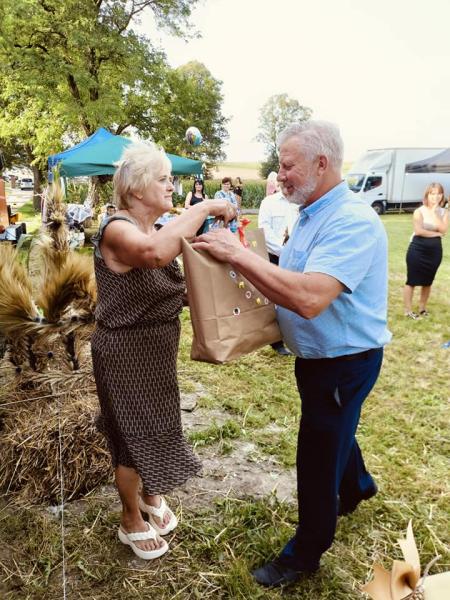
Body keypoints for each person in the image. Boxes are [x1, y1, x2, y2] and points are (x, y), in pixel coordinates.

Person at [193, 120, 391, 588]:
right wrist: (243, 253)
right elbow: (291, 267)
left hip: (342, 363)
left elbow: (309, 297)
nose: (278, 175)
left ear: (322, 164)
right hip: (320, 360)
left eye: (286, 166)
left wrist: (238, 256)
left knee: (318, 453)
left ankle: (304, 553)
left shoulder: (351, 221)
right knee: (335, 431)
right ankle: (359, 485)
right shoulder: (313, 210)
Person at [90, 141, 236, 561]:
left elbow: (164, 289)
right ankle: (130, 519)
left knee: (157, 425)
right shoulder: (118, 230)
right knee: (131, 436)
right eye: (163, 179)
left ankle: (151, 496)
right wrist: (205, 206)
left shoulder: (156, 230)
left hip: (156, 350)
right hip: (124, 353)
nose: (172, 186)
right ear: (136, 190)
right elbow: (152, 258)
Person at [258, 186, 299, 355]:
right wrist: (285, 252)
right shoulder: (269, 203)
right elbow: (264, 231)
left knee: (294, 298)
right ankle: (277, 342)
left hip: (298, 259)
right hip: (275, 256)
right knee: (274, 300)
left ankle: (294, 337)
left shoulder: (301, 202)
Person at [403, 183, 448, 318]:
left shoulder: (444, 212)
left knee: (428, 281)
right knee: (411, 281)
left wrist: (435, 213)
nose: (435, 197)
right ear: (427, 195)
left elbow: (444, 229)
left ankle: (422, 308)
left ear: (442, 195)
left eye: (438, 193)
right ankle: (408, 310)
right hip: (417, 249)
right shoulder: (419, 211)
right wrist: (437, 234)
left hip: (434, 252)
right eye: (432, 193)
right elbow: (419, 231)